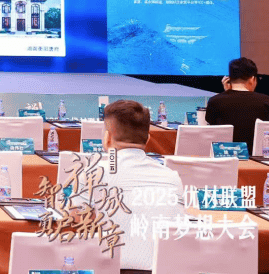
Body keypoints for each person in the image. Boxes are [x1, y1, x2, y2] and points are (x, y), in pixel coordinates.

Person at [71, 100, 185, 272]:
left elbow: (78, 220)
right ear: (148, 139)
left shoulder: (92, 172)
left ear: (107, 138)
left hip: (109, 269)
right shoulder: (172, 177)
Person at [206, 57, 269, 152]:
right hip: (259, 159)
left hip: (225, 157)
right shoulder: (268, 102)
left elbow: (212, 126)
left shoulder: (215, 101)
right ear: (252, 79)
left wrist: (227, 92)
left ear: (229, 79)